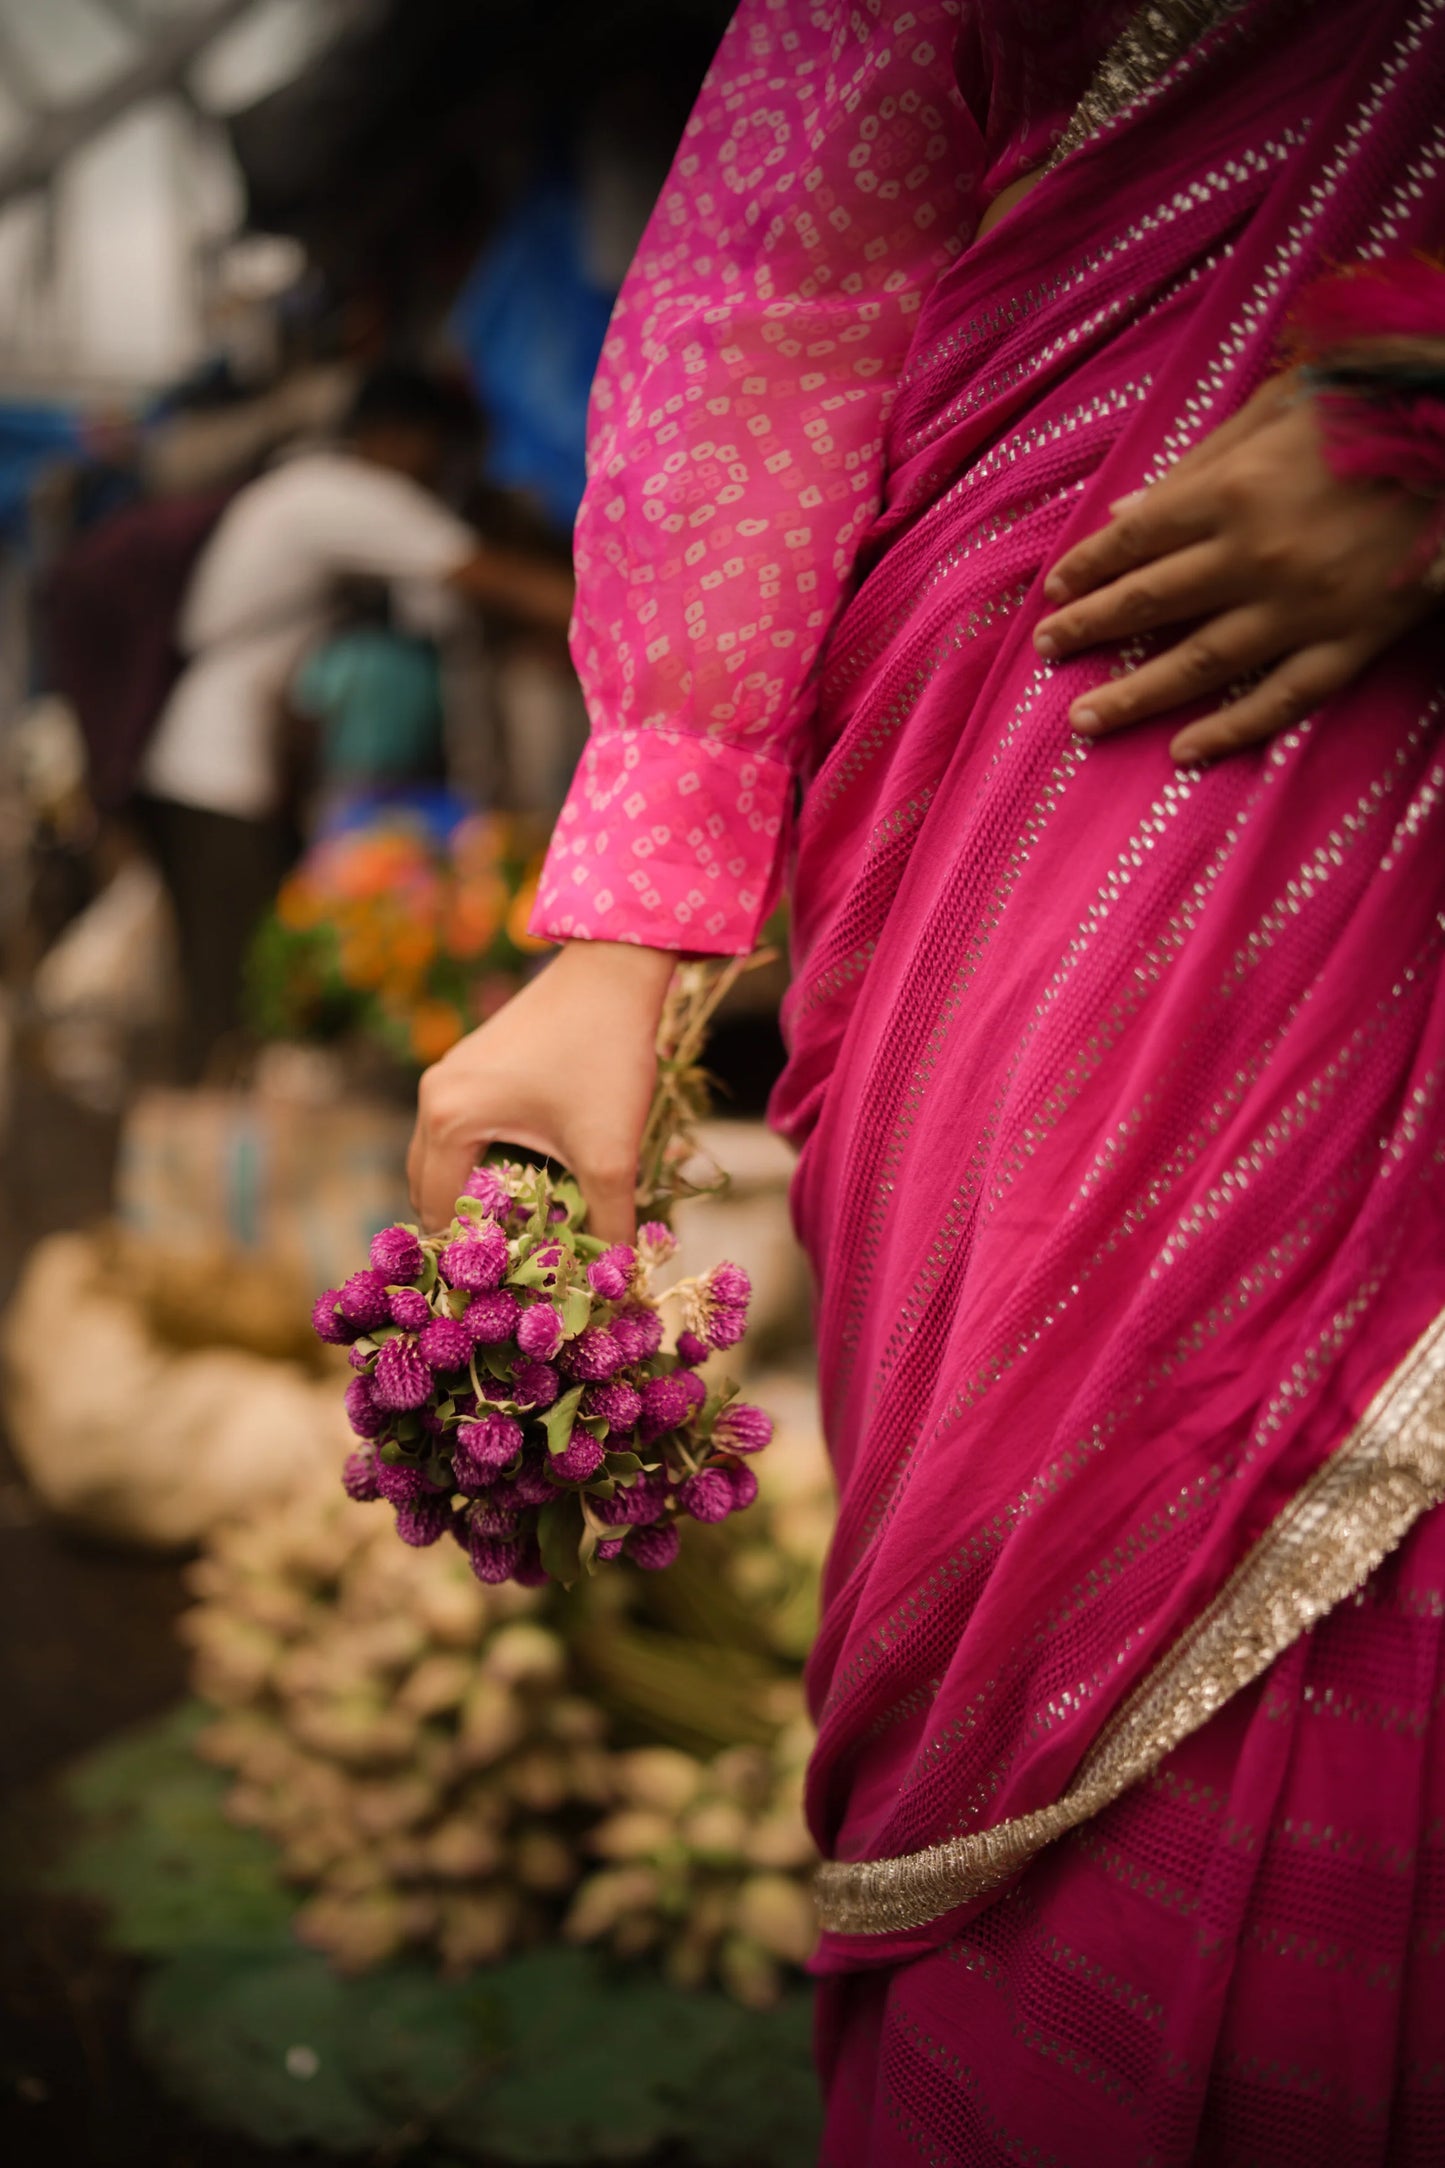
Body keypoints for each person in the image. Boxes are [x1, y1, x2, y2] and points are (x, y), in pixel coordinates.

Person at [409, 3, 1445, 2158]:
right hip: (1062, 774)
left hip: (1196, 727)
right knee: (1043, 1601)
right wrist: (628, 916)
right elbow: (794, 226)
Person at [134, 365, 573, 1077]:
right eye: (439, 450)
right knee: (231, 987)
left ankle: (209, 1140)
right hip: (214, 769)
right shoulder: (343, 497)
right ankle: (204, 1153)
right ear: (393, 438)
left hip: (210, 763)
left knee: (230, 980)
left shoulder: (307, 487)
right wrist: (645, 618)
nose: (443, 473)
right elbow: (501, 580)